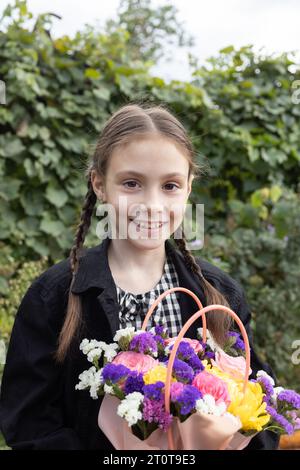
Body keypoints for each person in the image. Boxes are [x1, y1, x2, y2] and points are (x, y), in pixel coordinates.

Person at [0, 103, 279, 450]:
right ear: (100, 184)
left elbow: (259, 415)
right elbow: (28, 423)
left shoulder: (219, 296)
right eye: (132, 183)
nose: (152, 204)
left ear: (189, 188)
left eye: (170, 186)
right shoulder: (54, 296)